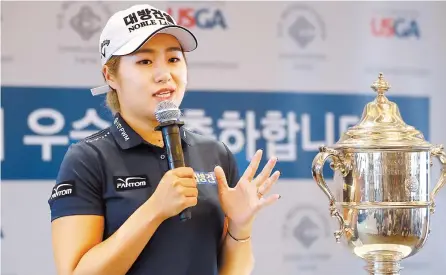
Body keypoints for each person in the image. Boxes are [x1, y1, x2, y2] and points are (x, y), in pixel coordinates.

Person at [48, 4, 281, 275]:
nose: (164, 75)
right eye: (145, 61)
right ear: (110, 75)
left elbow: (233, 269)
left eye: (173, 59)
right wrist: (155, 210)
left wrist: (241, 227)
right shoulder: (88, 158)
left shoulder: (215, 154)